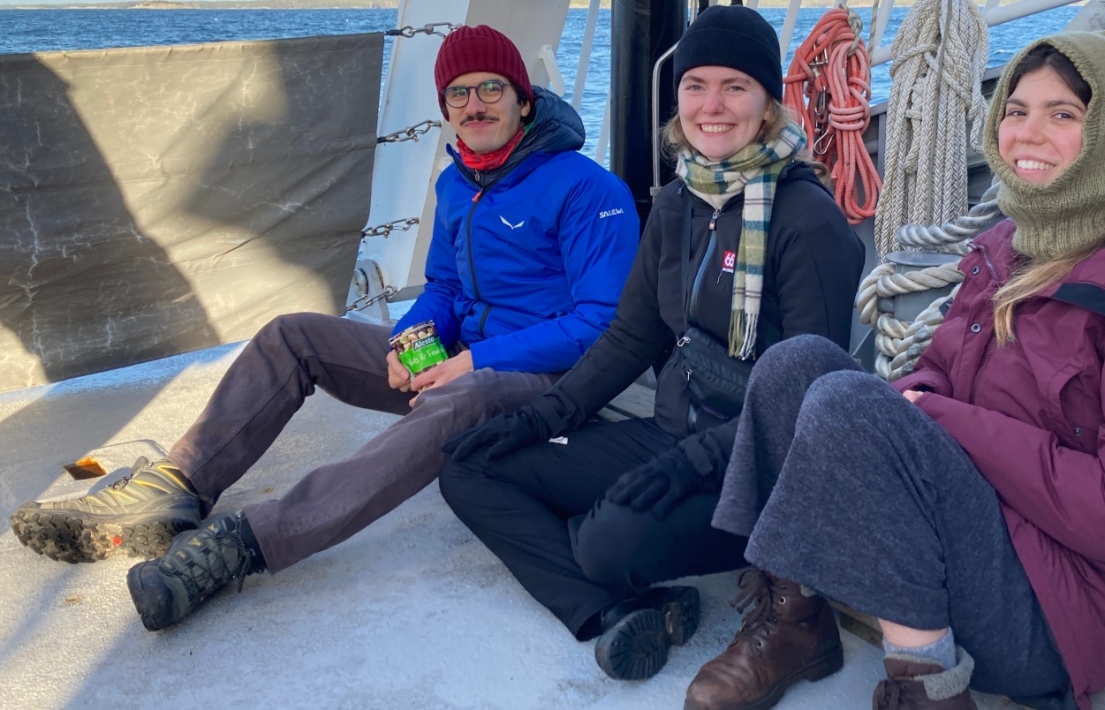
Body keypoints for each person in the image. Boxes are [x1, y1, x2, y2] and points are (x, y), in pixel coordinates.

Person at [684, 32, 1105, 710]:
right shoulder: (1012, 245)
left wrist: (940, 421)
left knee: (847, 401)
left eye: (1063, 114)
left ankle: (928, 689)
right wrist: (905, 422)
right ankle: (794, 621)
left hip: (1066, 612)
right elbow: (938, 378)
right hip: (981, 530)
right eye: (1016, 110)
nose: (1027, 133)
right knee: (796, 366)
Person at [8, 24, 641, 632]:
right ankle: (178, 486)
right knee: (295, 335)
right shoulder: (458, 183)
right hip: (466, 361)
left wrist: (471, 364)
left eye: (492, 88)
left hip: (549, 382)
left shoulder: (588, 189)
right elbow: (444, 290)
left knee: (458, 396)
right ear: (445, 106)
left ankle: (245, 544)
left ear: (524, 100)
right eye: (458, 92)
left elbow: (601, 323)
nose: (474, 104)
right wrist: (408, 342)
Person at [435, 4, 865, 684]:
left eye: (735, 87)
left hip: (754, 467)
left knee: (608, 540)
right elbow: (632, 334)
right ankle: (615, 613)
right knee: (469, 468)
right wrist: (543, 416)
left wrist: (696, 460)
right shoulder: (678, 203)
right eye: (696, 86)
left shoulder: (806, 219)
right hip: (673, 434)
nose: (712, 105)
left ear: (766, 103)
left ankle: (609, 566)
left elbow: (810, 393)